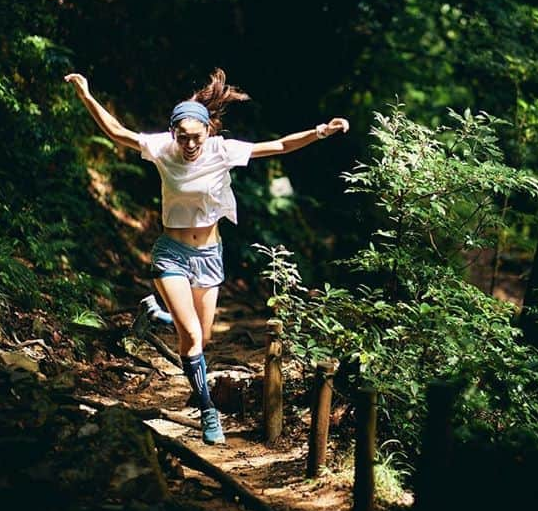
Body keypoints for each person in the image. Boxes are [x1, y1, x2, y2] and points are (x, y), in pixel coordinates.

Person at [66, 69, 349, 444]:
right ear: (173, 135)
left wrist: (320, 132)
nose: (188, 144)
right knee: (193, 336)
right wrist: (86, 95)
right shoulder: (162, 150)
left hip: (210, 255)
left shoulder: (221, 151)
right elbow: (117, 132)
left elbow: (278, 147)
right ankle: (207, 411)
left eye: (195, 137)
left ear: (208, 131)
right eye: (181, 137)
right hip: (172, 254)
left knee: (202, 335)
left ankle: (158, 313)